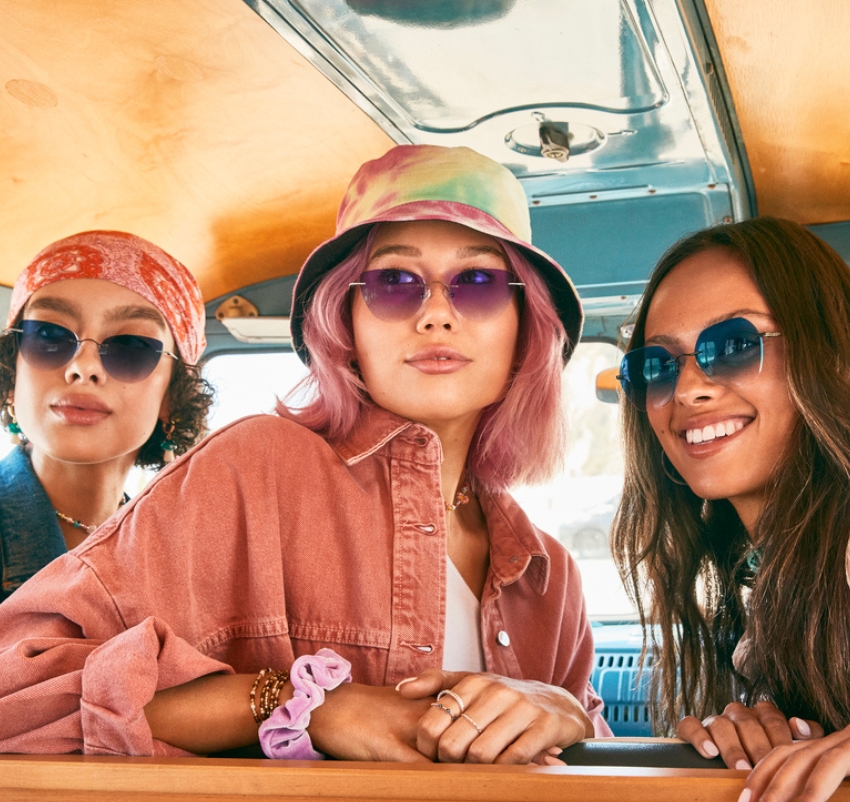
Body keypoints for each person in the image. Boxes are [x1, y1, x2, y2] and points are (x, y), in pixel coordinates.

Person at [0, 145, 608, 762]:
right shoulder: (252, 469)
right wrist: (302, 705)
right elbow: (16, 698)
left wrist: (570, 714)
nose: (435, 315)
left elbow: (598, 783)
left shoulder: (547, 573)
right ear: (343, 322)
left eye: (477, 283)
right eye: (394, 283)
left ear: (525, 325)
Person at [612, 216, 850, 802]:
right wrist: (757, 734)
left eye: (735, 345)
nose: (689, 388)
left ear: (831, 352)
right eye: (656, 367)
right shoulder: (765, 576)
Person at [0, 230, 213, 600]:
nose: (83, 367)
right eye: (49, 334)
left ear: (172, 398)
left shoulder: (182, 567)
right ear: (11, 373)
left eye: (130, 345)